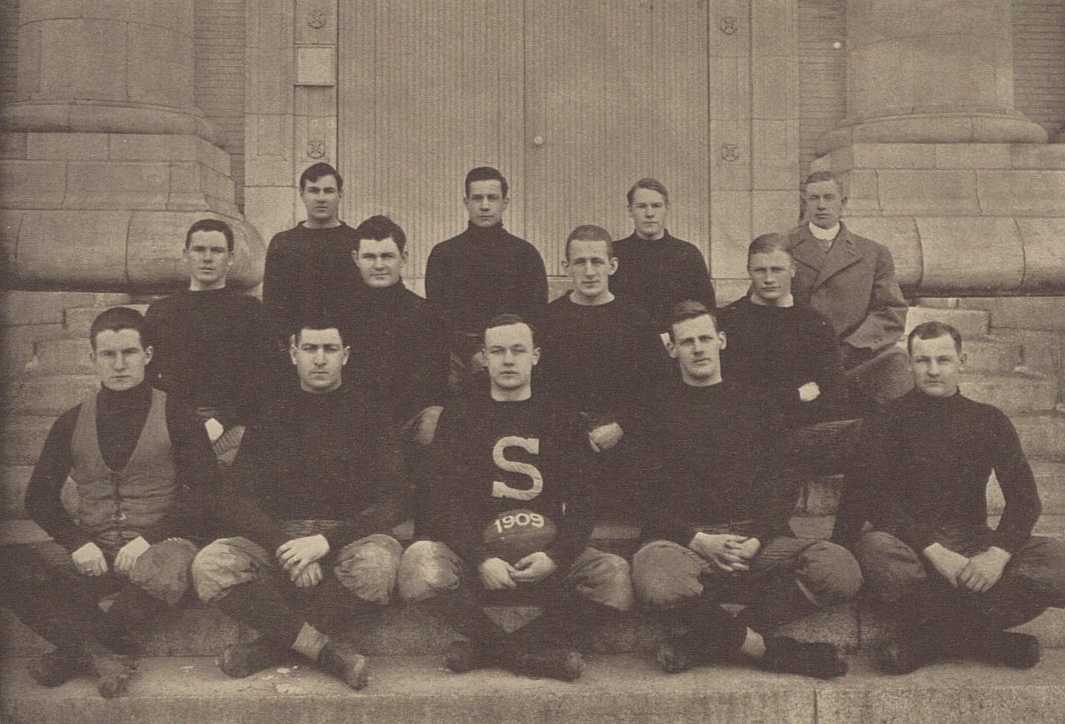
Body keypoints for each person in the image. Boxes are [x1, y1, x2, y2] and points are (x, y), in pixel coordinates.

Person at [632, 301, 862, 679]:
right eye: (687, 342)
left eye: (706, 338)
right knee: (654, 574)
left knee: (839, 568)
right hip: (689, 544)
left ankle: (704, 641)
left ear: (721, 340)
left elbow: (783, 479)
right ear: (672, 349)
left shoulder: (756, 401)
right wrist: (697, 539)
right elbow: (642, 493)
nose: (698, 348)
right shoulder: (654, 408)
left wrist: (757, 537)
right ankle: (767, 649)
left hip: (755, 540)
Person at [398, 315, 634, 682]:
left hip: (543, 552)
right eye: (498, 351)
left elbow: (587, 498)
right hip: (479, 556)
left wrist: (556, 557)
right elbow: (439, 497)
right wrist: (479, 558)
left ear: (535, 356)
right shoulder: (461, 414)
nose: (508, 360)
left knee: (615, 577)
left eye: (518, 350)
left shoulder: (560, 414)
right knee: (416, 565)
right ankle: (528, 656)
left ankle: (491, 648)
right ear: (484, 358)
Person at [0, 307, 218, 698]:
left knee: (170, 565)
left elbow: (206, 494)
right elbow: (38, 498)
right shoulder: (70, 420)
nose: (119, 365)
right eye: (108, 354)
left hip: (157, 551)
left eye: (129, 353)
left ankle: (71, 655)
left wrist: (149, 539)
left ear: (147, 355)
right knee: (9, 564)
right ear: (92, 359)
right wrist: (76, 542)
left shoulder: (176, 414)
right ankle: (103, 654)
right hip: (96, 553)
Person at [834, 321, 1065, 673]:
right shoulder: (885, 419)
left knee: (1055, 557)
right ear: (909, 364)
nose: (933, 370)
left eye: (943, 359)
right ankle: (985, 639)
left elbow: (1025, 500)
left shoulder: (989, 420)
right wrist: (934, 551)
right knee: (875, 549)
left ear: (963, 360)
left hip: (974, 543)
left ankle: (930, 640)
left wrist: (996, 555)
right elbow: (873, 498)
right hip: (912, 547)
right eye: (923, 361)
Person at [191, 318, 406, 690]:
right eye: (310, 349)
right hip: (280, 538)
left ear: (346, 355)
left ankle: (271, 648)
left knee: (379, 566)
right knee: (209, 565)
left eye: (330, 349)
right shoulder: (271, 413)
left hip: (346, 539)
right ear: (294, 354)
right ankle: (325, 652)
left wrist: (326, 543)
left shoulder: (371, 413)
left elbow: (394, 499)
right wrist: (284, 547)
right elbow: (237, 496)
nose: (320, 359)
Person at [542, 224, 668, 516]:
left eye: (597, 262)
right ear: (566, 266)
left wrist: (622, 425)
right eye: (580, 262)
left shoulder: (637, 320)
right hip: (564, 436)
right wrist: (570, 430)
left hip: (622, 434)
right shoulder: (549, 319)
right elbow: (540, 387)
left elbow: (660, 387)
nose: (589, 271)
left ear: (612, 266)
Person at [718, 233, 855, 474]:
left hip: (800, 435)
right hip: (741, 435)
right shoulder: (729, 320)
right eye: (760, 270)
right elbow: (727, 394)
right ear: (748, 270)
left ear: (792, 269)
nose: (769, 279)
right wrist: (795, 396)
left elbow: (834, 396)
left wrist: (770, 405)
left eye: (777, 269)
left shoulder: (815, 324)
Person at [144, 218, 271, 461]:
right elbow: (150, 376)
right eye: (199, 249)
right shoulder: (162, 312)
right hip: (175, 427)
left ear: (230, 258)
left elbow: (264, 377)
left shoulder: (250, 311)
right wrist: (183, 418)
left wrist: (223, 419)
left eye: (217, 250)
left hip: (233, 429)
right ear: (185, 255)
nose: (207, 257)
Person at [787, 171, 910, 409]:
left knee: (897, 364)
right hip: (798, 360)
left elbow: (890, 311)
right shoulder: (785, 247)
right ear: (805, 202)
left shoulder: (873, 253)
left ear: (843, 203)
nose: (821, 206)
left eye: (828, 198)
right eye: (814, 199)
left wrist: (851, 347)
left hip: (854, 356)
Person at [424, 166, 548, 394]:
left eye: (492, 198)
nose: (484, 205)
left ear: (505, 202)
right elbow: (438, 316)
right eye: (477, 198)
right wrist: (473, 354)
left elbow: (536, 315)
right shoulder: (444, 254)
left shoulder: (524, 254)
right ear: (466, 201)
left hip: (511, 356)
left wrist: (500, 353)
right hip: (459, 362)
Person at [337, 215, 449, 446]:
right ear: (356, 259)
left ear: (403, 258)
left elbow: (434, 385)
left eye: (387, 256)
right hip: (351, 424)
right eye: (370, 256)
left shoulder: (426, 315)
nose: (379, 265)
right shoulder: (337, 315)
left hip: (407, 425)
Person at [261, 162, 360, 358]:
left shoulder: (356, 241)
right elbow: (273, 305)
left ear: (340, 195)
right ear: (302, 194)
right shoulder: (283, 243)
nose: (321, 198)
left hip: (349, 349)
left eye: (328, 191)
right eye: (314, 190)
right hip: (299, 350)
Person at [611, 178, 715, 330]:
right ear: (630, 210)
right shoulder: (615, 254)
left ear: (667, 208)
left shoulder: (688, 254)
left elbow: (706, 309)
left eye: (656, 206)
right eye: (641, 206)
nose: (649, 213)